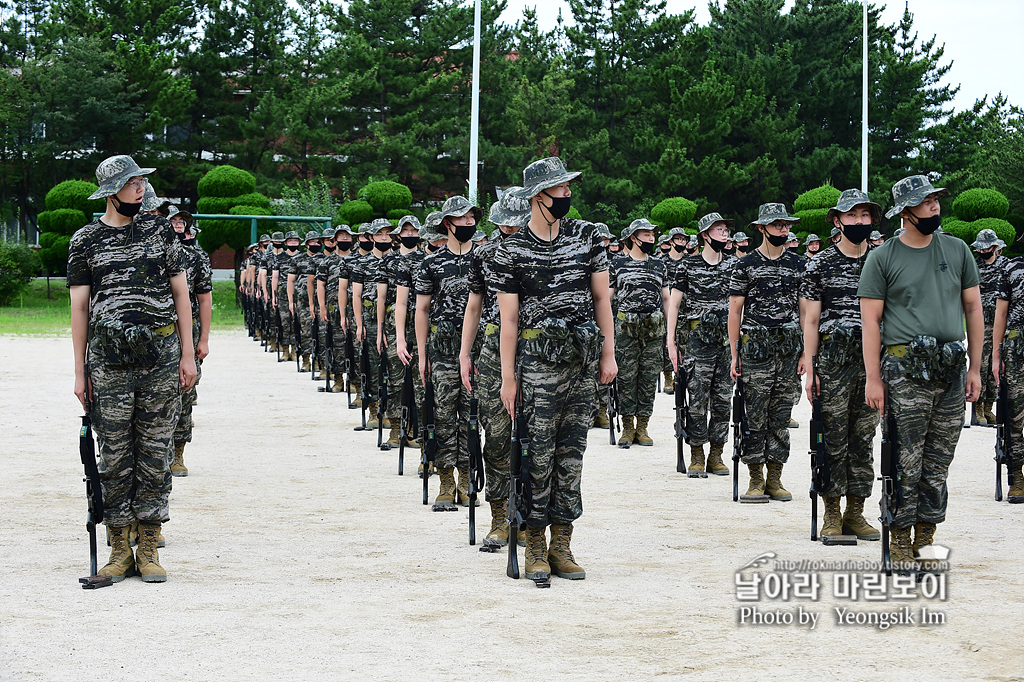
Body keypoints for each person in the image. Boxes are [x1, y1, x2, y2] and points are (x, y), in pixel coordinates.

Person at [68, 155, 198, 583]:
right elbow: (80, 307)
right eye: (131, 182)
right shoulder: (85, 240)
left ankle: (149, 544)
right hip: (109, 365)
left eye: (142, 180)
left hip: (160, 359)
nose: (139, 187)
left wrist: (187, 354)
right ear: (111, 191)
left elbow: (182, 294)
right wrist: (79, 370)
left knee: (155, 453)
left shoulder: (161, 232)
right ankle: (120, 544)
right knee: (115, 457)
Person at [491, 157, 617, 582]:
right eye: (560, 189)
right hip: (537, 368)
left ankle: (563, 544)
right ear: (538, 196)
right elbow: (509, 320)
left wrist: (608, 353)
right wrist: (508, 378)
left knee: (571, 457)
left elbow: (603, 300)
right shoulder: (510, 250)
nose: (567, 195)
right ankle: (536, 547)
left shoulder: (587, 238)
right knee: (536, 458)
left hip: (580, 364)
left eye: (568, 188)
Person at [859, 175, 983, 571]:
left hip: (949, 369)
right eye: (925, 201)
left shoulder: (958, 250)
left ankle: (926, 538)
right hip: (903, 371)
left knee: (938, 460)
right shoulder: (883, 257)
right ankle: (899, 539)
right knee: (904, 459)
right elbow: (871, 322)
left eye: (935, 199)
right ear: (905, 212)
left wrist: (976, 368)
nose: (934, 206)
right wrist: (873, 377)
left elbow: (974, 310)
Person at [800, 189, 882, 541]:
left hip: (872, 365)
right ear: (838, 220)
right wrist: (811, 368)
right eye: (852, 216)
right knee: (831, 437)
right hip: (833, 364)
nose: (859, 222)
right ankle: (831, 512)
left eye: (865, 216)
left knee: (863, 438)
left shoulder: (881, 261)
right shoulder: (819, 264)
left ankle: (856, 512)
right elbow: (811, 320)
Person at [459, 188, 531, 547]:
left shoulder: (544, 252)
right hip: (491, 352)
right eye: (506, 225)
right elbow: (474, 308)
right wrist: (464, 354)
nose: (511, 231)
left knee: (537, 439)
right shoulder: (484, 255)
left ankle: (533, 519)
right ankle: (500, 516)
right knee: (499, 437)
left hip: (536, 351)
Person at [728, 203, 804, 503]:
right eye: (777, 225)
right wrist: (735, 354)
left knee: (781, 415)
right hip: (755, 350)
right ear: (762, 228)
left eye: (786, 225)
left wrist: (804, 353)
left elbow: (805, 311)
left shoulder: (799, 265)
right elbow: (735, 311)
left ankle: (775, 477)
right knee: (754, 415)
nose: (783, 230)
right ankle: (755, 478)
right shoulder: (745, 265)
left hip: (787, 349)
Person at [415, 197, 480, 509]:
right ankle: (445, 480)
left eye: (471, 218)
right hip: (441, 349)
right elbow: (422, 310)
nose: (468, 223)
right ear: (447, 224)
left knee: (471, 415)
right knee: (442, 415)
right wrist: (422, 355)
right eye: (461, 219)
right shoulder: (430, 264)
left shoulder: (485, 260)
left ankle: (467, 478)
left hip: (477, 350)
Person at [668, 213, 737, 477]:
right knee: (696, 399)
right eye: (718, 229)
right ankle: (697, 452)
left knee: (722, 400)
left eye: (725, 229)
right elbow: (674, 304)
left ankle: (716, 454)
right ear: (705, 235)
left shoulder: (733, 266)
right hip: (698, 342)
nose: (724, 233)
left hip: (725, 341)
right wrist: (671, 341)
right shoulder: (687, 266)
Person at [610, 218, 669, 447]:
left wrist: (669, 333)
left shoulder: (659, 265)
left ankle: (642, 427)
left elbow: (666, 298)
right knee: (626, 377)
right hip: (626, 332)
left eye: (652, 234)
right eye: (646, 235)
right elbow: (607, 297)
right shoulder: (618, 264)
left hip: (653, 332)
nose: (651, 239)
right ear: (634, 238)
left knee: (648, 377)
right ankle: (627, 427)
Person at [169, 208, 211, 477]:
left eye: (180, 221)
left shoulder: (196, 257)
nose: (176, 225)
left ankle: (177, 452)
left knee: (185, 390)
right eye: (171, 221)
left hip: (188, 332)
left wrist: (204, 338)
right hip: (157, 330)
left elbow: (204, 299)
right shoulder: (148, 252)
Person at [378, 215, 421, 445]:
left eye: (414, 231)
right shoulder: (388, 262)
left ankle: (415, 431)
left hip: (420, 326)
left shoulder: (427, 259)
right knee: (395, 379)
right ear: (399, 234)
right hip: (395, 328)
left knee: (418, 381)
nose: (411, 234)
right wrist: (380, 329)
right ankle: (396, 428)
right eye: (406, 231)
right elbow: (381, 298)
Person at [353, 219, 394, 428]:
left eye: (388, 233)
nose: (384, 238)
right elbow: (357, 296)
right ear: (371, 237)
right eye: (380, 234)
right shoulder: (362, 263)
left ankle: (393, 413)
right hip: (369, 318)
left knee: (394, 369)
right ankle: (375, 410)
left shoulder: (397, 261)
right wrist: (359, 324)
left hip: (395, 320)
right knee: (372, 366)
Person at [991, 247, 1024, 503]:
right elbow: (1000, 314)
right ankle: (1017, 476)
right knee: (1015, 414)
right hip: (1016, 351)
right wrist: (996, 354)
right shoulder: (1011, 268)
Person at [971, 229, 1010, 425]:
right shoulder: (974, 265)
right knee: (981, 364)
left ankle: (989, 407)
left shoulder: (1005, 265)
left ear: (994, 247)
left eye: (985, 247)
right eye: (979, 248)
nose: (982, 250)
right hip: (981, 322)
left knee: (997, 366)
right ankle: (977, 408)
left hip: (999, 320)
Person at [272, 231, 301, 362]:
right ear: (286, 243)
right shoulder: (279, 258)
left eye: (295, 241)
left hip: (300, 295)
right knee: (284, 323)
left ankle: (295, 350)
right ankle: (285, 350)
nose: (293, 243)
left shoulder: (302, 257)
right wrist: (274, 295)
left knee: (296, 323)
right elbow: (275, 277)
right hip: (283, 295)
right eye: (291, 241)